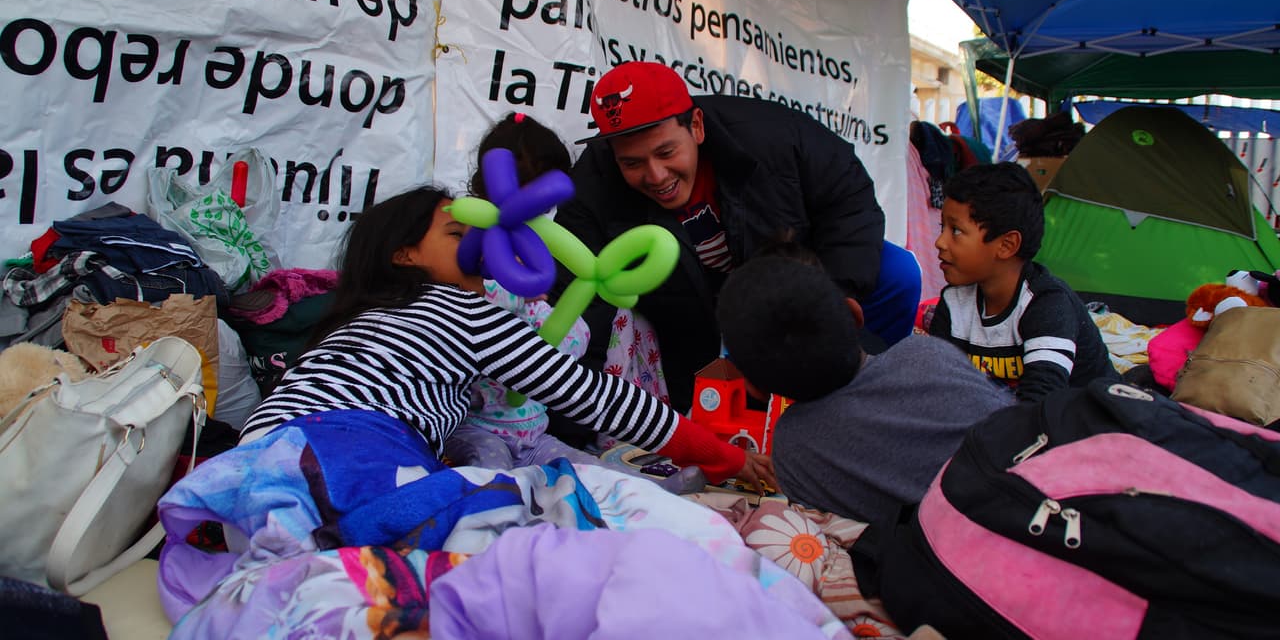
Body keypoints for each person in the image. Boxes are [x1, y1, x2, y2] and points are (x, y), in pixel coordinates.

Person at [240, 184, 775, 490]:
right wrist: (723, 457)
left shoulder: (357, 319)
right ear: (403, 255)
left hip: (252, 455)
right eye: (458, 234)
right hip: (345, 453)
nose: (482, 246)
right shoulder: (459, 309)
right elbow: (595, 396)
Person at [557, 60, 920, 420]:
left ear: (696, 126)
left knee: (897, 272)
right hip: (685, 314)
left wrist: (827, 303)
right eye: (632, 163)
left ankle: (867, 394)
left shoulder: (776, 136)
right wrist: (572, 410)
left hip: (789, 281)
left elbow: (849, 205)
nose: (656, 176)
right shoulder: (594, 180)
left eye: (666, 153)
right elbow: (579, 291)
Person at [442, 112, 706, 493]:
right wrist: (510, 293)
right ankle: (495, 514)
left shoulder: (538, 259)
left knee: (583, 466)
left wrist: (549, 315)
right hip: (477, 429)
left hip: (532, 430)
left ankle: (647, 492)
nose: (538, 217)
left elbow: (565, 346)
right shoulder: (466, 260)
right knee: (495, 475)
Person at [716, 255, 1011, 527]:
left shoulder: (793, 450)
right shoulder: (928, 354)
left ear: (754, 388)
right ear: (856, 314)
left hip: (943, 559)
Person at [928, 162, 1118, 403]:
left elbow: (1040, 401)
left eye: (955, 230)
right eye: (942, 227)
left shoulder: (1047, 304)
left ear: (1006, 245)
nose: (940, 242)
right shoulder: (954, 301)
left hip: (1086, 416)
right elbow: (937, 383)